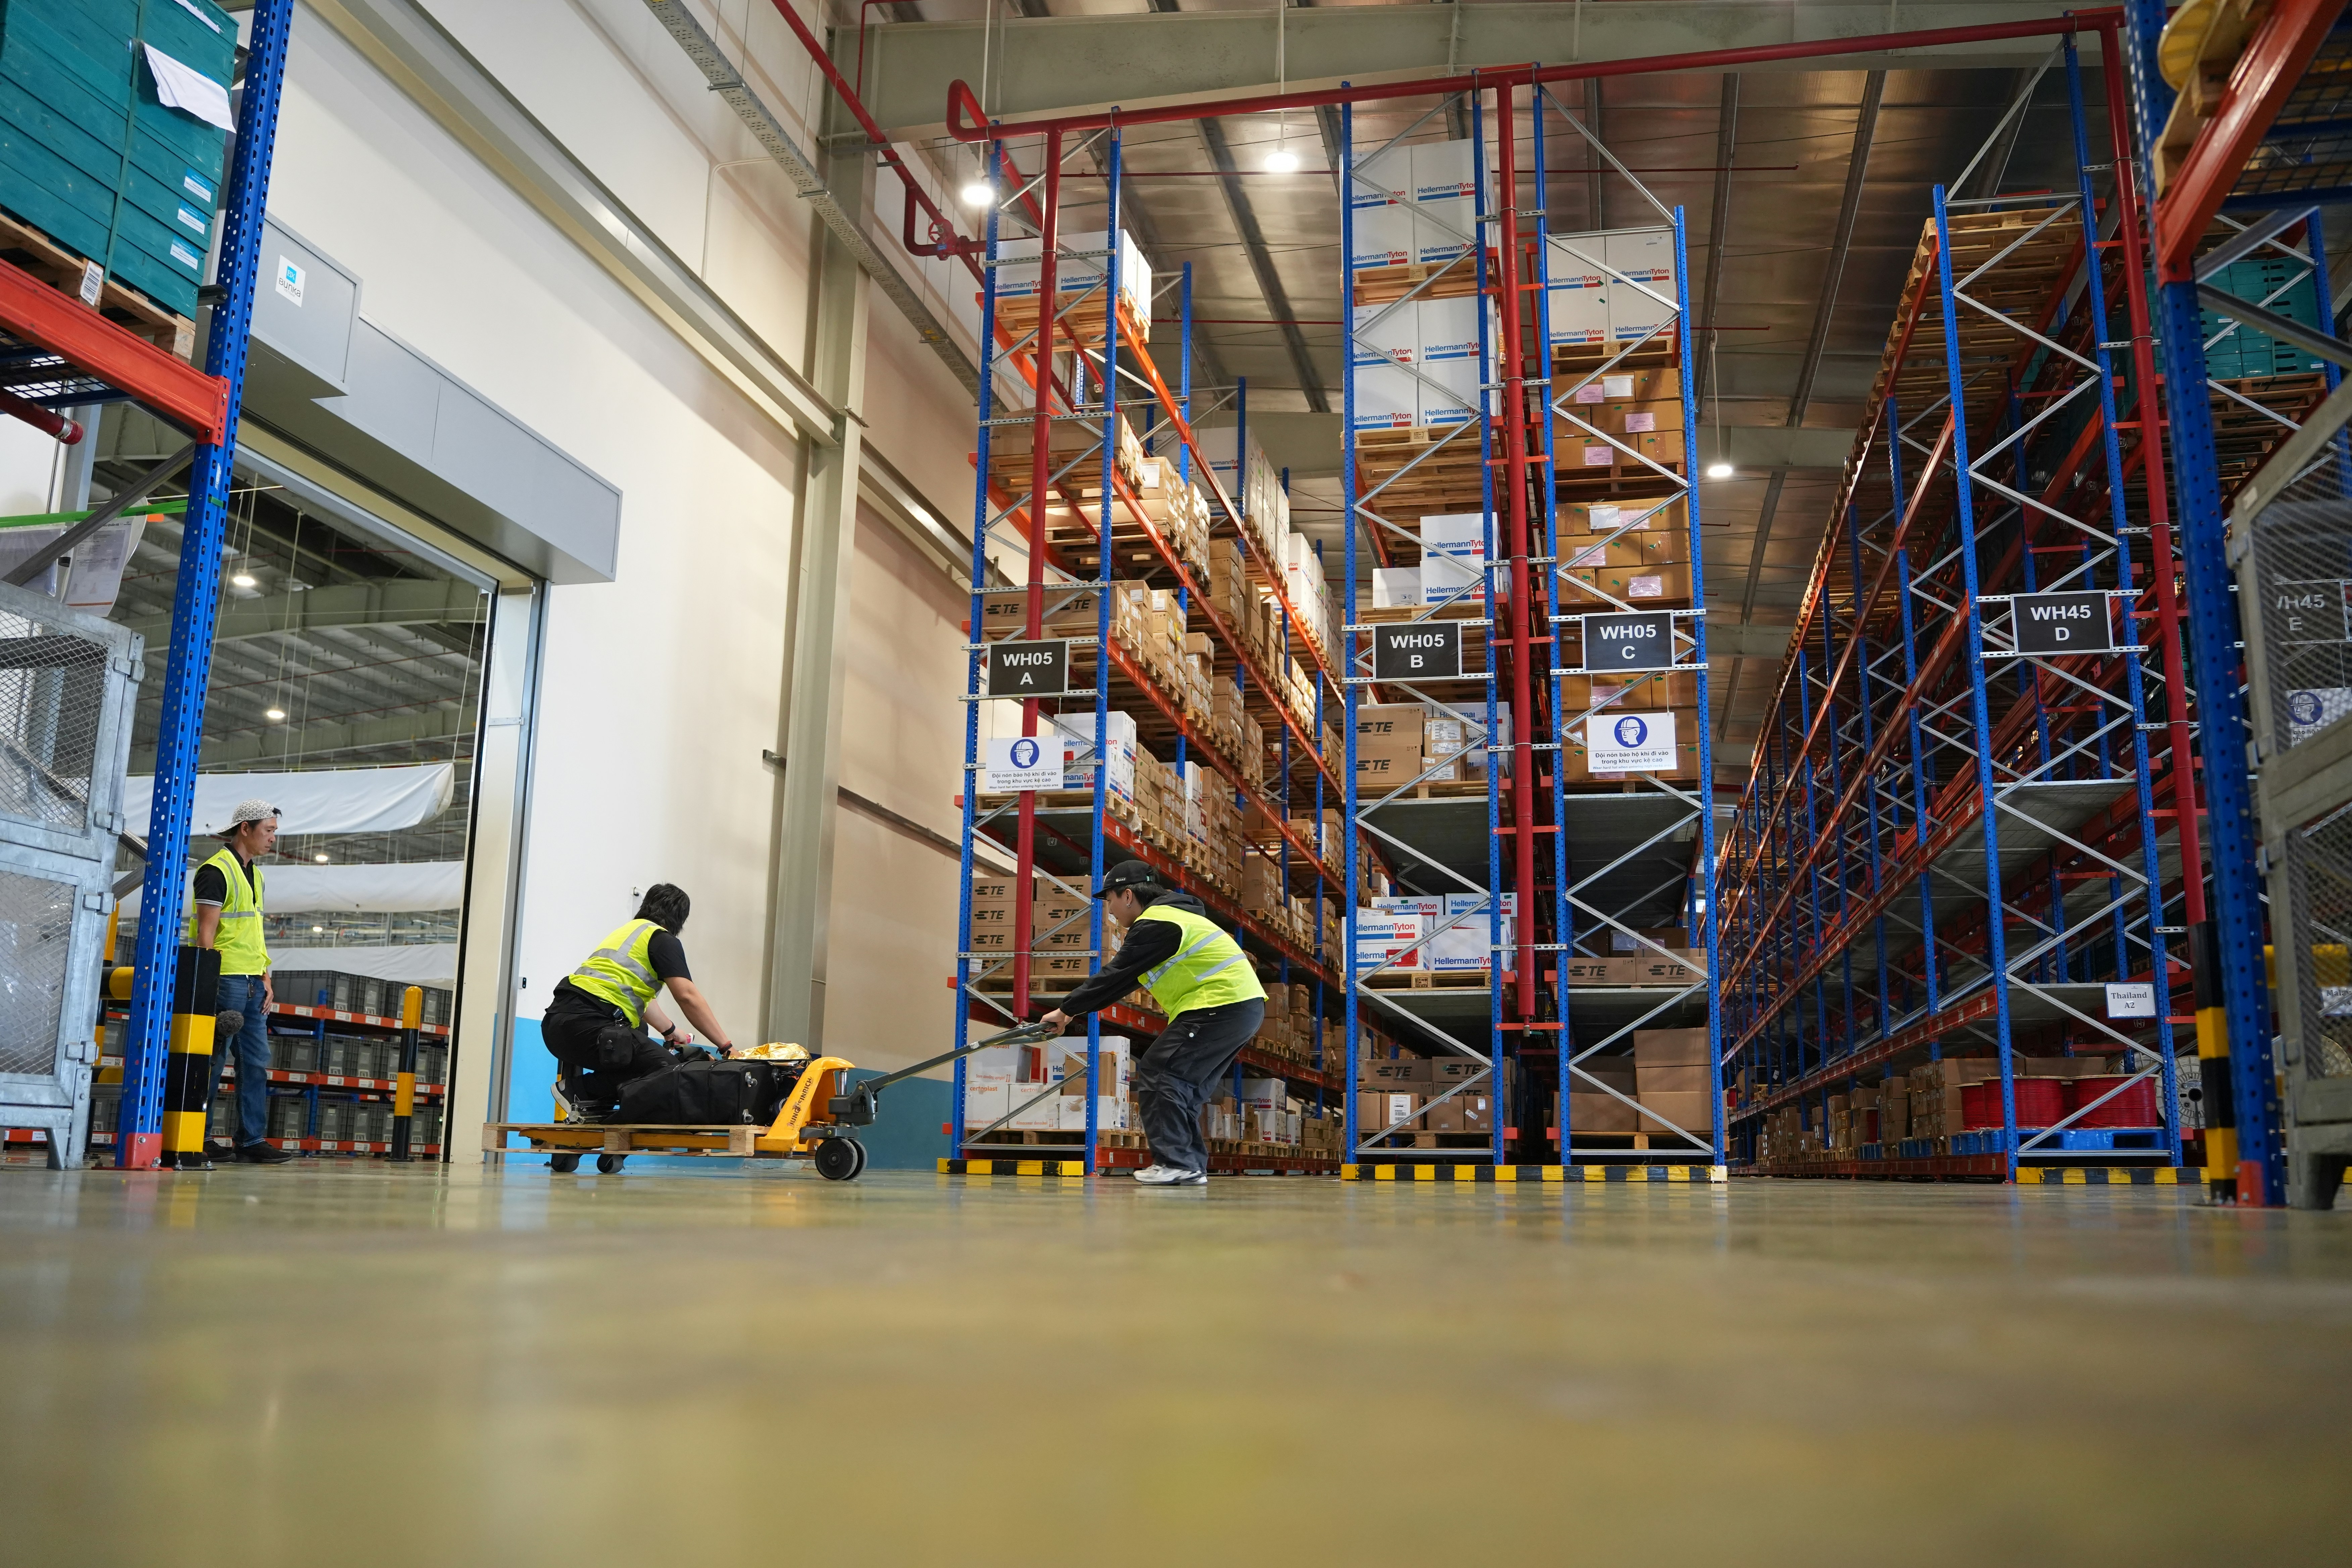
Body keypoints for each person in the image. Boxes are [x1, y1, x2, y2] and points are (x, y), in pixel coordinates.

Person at [1040, 859, 1266, 1186]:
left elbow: (1114, 976)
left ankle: (1176, 1163)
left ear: (1128, 895)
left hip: (1218, 1004)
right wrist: (1075, 1010)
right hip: (1237, 1007)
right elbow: (1123, 983)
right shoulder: (1176, 919)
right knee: (1182, 1086)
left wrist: (1065, 1011)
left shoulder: (1156, 923)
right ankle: (1188, 1165)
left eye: (1111, 900)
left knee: (1161, 1072)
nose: (1111, 909)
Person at [541, 884, 739, 1121]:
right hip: (591, 1025)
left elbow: (637, 996)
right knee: (669, 1072)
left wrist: (671, 1031)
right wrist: (726, 1047)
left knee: (641, 1036)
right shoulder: (662, 939)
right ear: (680, 920)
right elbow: (687, 996)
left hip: (559, 1025)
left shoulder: (626, 933)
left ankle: (592, 1108)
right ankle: (579, 1091)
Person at [185, 798, 293, 1166]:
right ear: (245, 829)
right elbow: (206, 933)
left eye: (275, 832)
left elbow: (254, 932)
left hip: (252, 981)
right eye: (268, 831)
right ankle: (197, 1138)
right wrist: (207, 982)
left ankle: (251, 1140)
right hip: (225, 980)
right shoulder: (215, 871)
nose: (273, 838)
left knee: (255, 1063)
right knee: (212, 1062)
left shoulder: (256, 875)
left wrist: (265, 976)